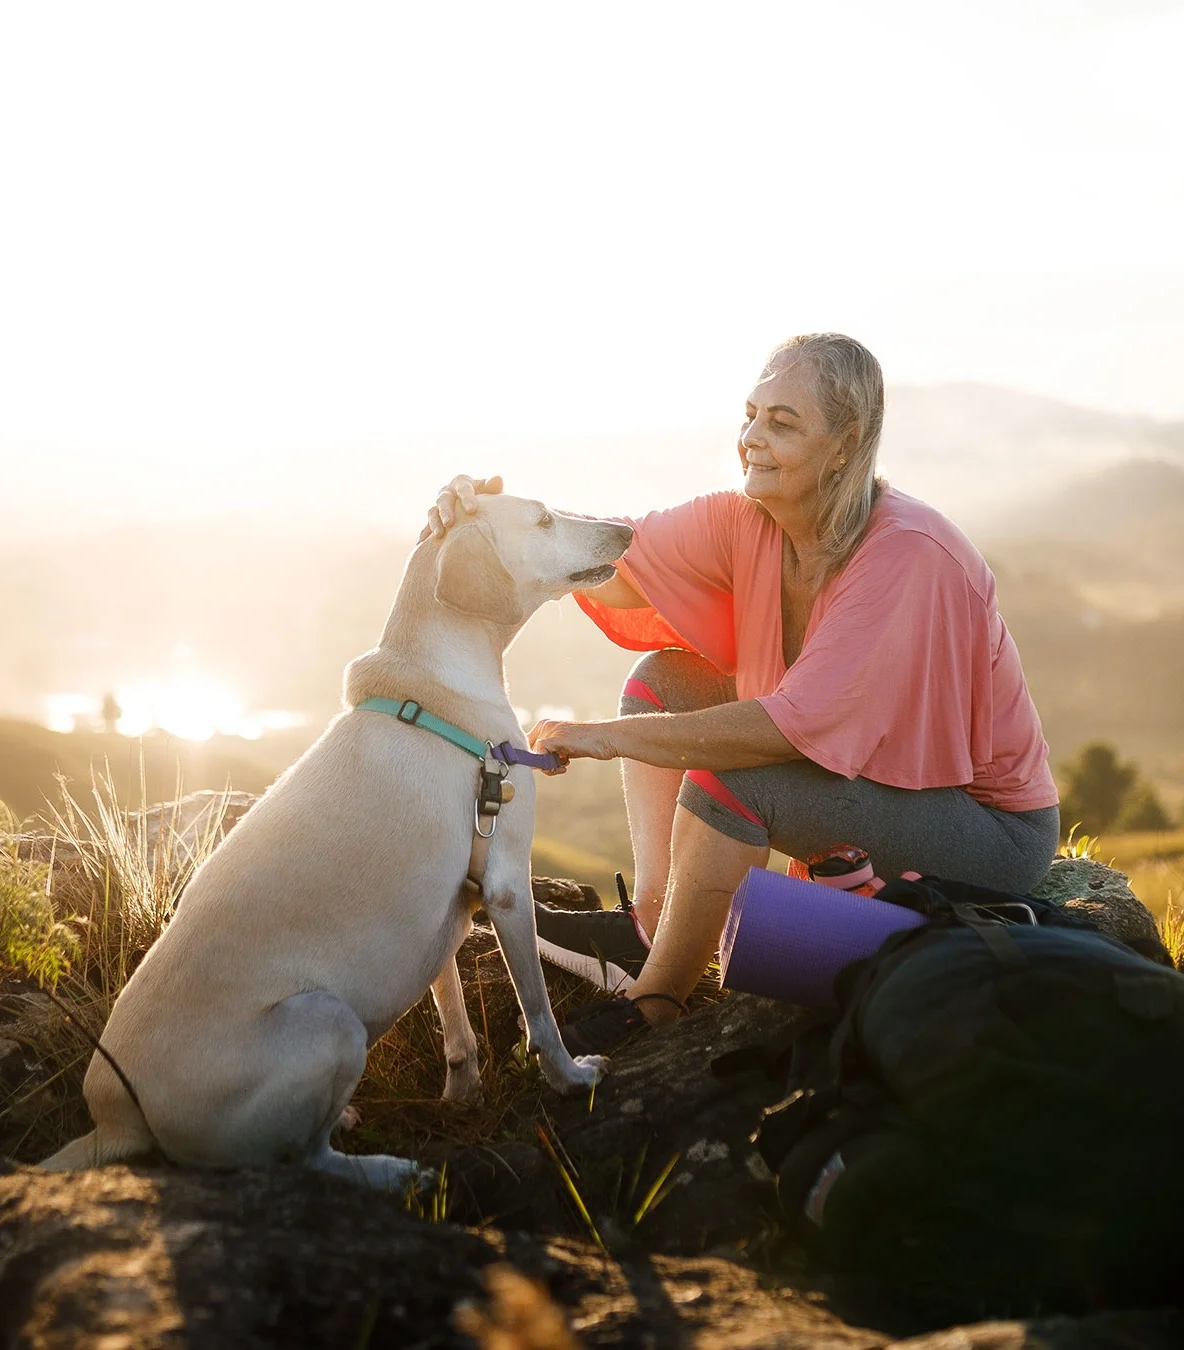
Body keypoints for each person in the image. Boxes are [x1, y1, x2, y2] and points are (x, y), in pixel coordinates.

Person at [425, 333, 1058, 1054]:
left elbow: (786, 731)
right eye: (751, 415)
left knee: (734, 777)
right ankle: (656, 925)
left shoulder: (906, 554)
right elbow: (615, 556)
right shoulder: (747, 519)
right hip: (860, 775)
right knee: (662, 683)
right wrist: (486, 518)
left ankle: (657, 1001)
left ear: (846, 443)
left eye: (782, 423)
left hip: (983, 825)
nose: (752, 438)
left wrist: (604, 736)